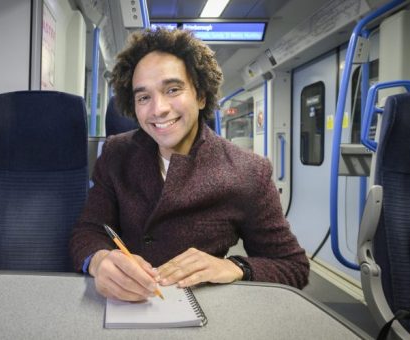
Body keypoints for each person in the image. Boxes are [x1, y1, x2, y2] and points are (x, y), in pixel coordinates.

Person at [69, 28, 309, 302]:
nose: (158, 108)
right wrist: (99, 260)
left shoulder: (248, 172)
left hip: (204, 309)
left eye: (172, 89)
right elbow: (88, 231)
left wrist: (234, 267)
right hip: (126, 306)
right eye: (144, 97)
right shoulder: (116, 153)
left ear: (201, 96)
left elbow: (293, 267)